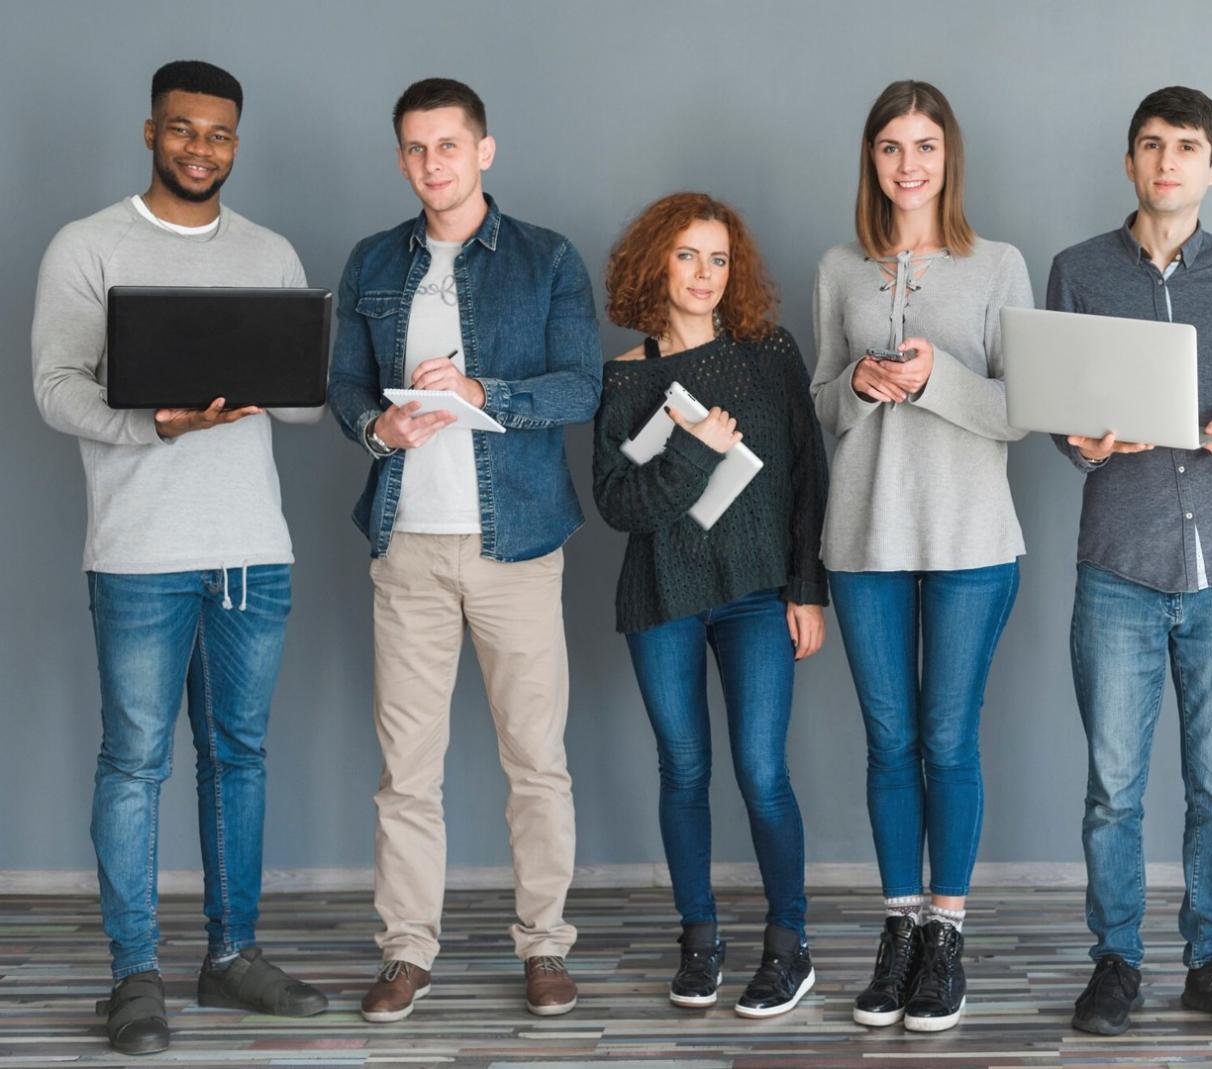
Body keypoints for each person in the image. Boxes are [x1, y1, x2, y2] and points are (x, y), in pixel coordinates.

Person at [31, 59, 328, 1056]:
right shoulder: (87, 246)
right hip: (139, 550)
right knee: (134, 763)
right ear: (151, 132)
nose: (202, 148)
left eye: (219, 133)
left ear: (237, 142)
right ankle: (134, 975)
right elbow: (56, 386)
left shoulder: (269, 253)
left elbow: (303, 404)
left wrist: (265, 378)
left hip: (253, 550)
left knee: (237, 757)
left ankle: (232, 956)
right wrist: (151, 423)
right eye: (184, 129)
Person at [327, 77, 601, 1024]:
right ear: (400, 157)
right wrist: (378, 429)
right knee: (406, 771)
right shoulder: (372, 260)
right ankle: (406, 951)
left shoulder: (545, 257)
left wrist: (484, 393)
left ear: (484, 150)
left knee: (536, 760)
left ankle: (545, 944)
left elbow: (582, 387)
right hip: (406, 545)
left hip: (515, 545)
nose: (430, 163)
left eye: (447, 145)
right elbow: (344, 386)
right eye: (414, 148)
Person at [1045, 86, 1212, 1038]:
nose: (1166, 161)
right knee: (1111, 791)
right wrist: (1079, 442)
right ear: (1129, 163)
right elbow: (1053, 405)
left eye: (1185, 146)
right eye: (1151, 145)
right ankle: (1114, 960)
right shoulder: (1077, 271)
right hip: (1116, 565)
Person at [810, 79, 1031, 1034]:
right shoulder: (838, 268)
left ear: (949, 157)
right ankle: (898, 926)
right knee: (889, 740)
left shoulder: (997, 265)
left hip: (971, 539)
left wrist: (938, 376)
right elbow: (819, 403)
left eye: (925, 146)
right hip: (863, 538)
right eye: (892, 146)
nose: (909, 164)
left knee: (947, 740)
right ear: (872, 158)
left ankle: (946, 932)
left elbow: (1020, 412)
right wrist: (858, 384)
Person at [592, 191, 830, 1018]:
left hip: (758, 593)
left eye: (719, 258)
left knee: (762, 771)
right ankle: (699, 940)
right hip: (661, 594)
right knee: (683, 769)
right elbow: (619, 504)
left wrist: (807, 589)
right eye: (687, 255)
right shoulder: (626, 375)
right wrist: (694, 451)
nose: (704, 274)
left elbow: (805, 475)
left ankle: (789, 944)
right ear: (655, 262)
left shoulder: (768, 352)